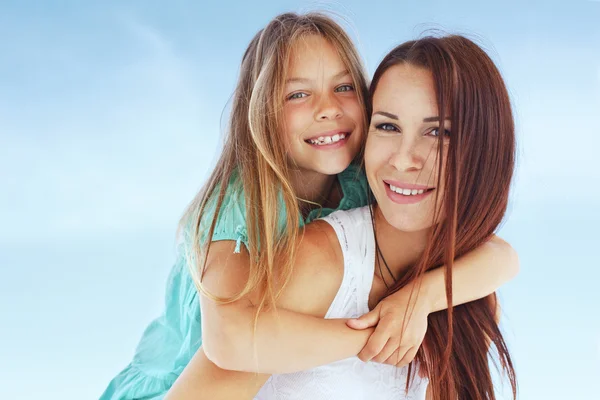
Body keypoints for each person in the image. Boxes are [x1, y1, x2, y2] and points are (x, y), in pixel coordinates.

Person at [102, 13, 518, 400]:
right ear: (261, 113)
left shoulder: (361, 181)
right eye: (298, 94)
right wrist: (372, 335)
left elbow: (500, 254)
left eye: (343, 88)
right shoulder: (240, 206)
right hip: (168, 377)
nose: (328, 110)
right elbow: (227, 340)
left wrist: (421, 298)